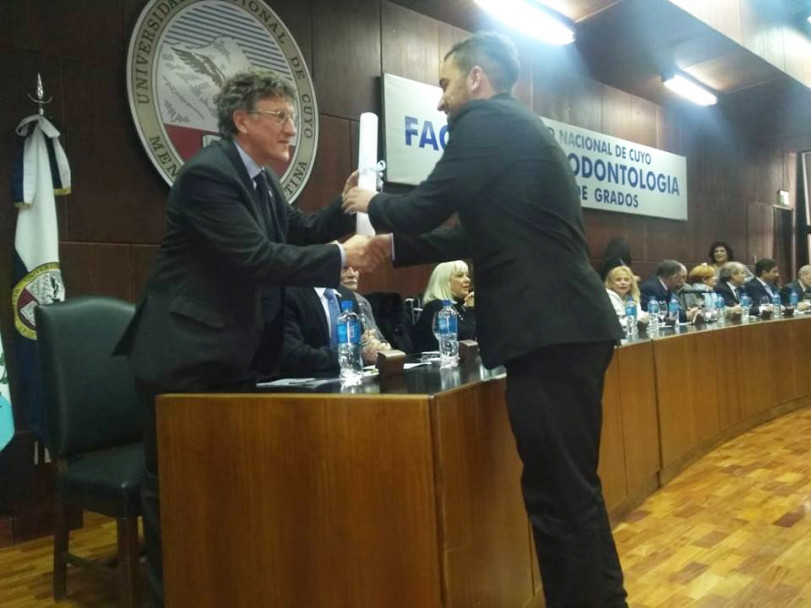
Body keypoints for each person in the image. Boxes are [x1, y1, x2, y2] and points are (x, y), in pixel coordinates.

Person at [343, 32, 627, 607]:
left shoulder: (488, 122)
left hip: (549, 332)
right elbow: (467, 231)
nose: (441, 100)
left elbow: (427, 203)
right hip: (567, 328)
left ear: (476, 79)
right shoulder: (517, 132)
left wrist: (367, 203)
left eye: (445, 83)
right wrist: (390, 247)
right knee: (571, 491)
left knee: (558, 496)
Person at [113, 70, 380, 607]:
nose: (291, 129)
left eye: (291, 117)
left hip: (229, 357)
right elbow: (258, 258)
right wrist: (340, 255)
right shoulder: (209, 176)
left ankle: (221, 586)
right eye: (279, 116)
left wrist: (344, 206)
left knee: (225, 487)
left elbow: (296, 230)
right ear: (242, 120)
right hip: (184, 358)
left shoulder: (258, 178)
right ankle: (173, 596)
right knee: (178, 495)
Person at [281, 283, 387, 376]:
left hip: (350, 383)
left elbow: (361, 345)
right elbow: (294, 356)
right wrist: (354, 355)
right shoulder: (289, 293)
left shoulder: (347, 295)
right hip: (303, 388)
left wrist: (371, 347)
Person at [413, 260, 476, 352]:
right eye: (460, 275)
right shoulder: (437, 307)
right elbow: (464, 342)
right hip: (434, 363)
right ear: (445, 281)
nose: (467, 280)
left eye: (467, 275)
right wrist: (470, 310)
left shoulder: (459, 306)